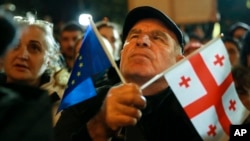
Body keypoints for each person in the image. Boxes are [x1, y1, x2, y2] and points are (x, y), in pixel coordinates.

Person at [55, 6, 202, 141]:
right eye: (133, 36)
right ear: (122, 53)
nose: (141, 41)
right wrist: (98, 129)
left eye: (157, 37)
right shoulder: (83, 103)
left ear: (179, 62)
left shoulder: (198, 112)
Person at [1, 16, 69, 126]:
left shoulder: (65, 104)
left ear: (49, 59)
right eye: (14, 45)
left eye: (34, 48)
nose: (23, 55)